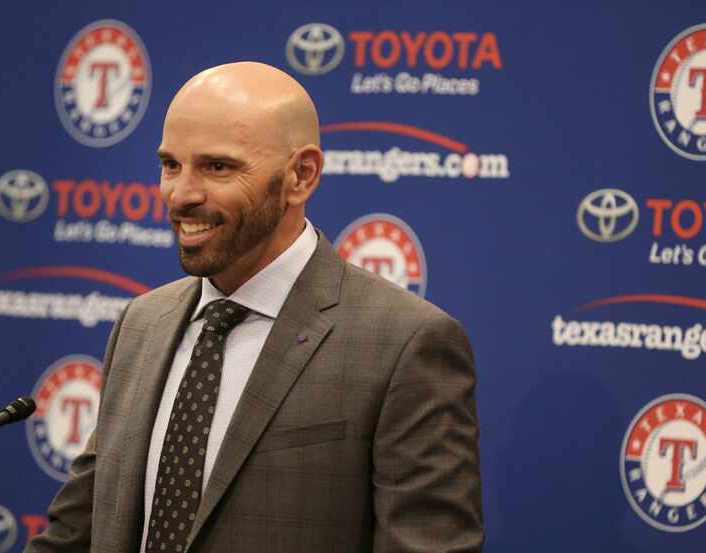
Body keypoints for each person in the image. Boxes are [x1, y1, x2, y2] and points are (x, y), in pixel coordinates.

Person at [26, 62, 483, 553]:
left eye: (217, 167)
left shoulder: (405, 345)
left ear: (301, 176)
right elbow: (74, 535)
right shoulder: (141, 324)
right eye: (170, 165)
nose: (181, 195)